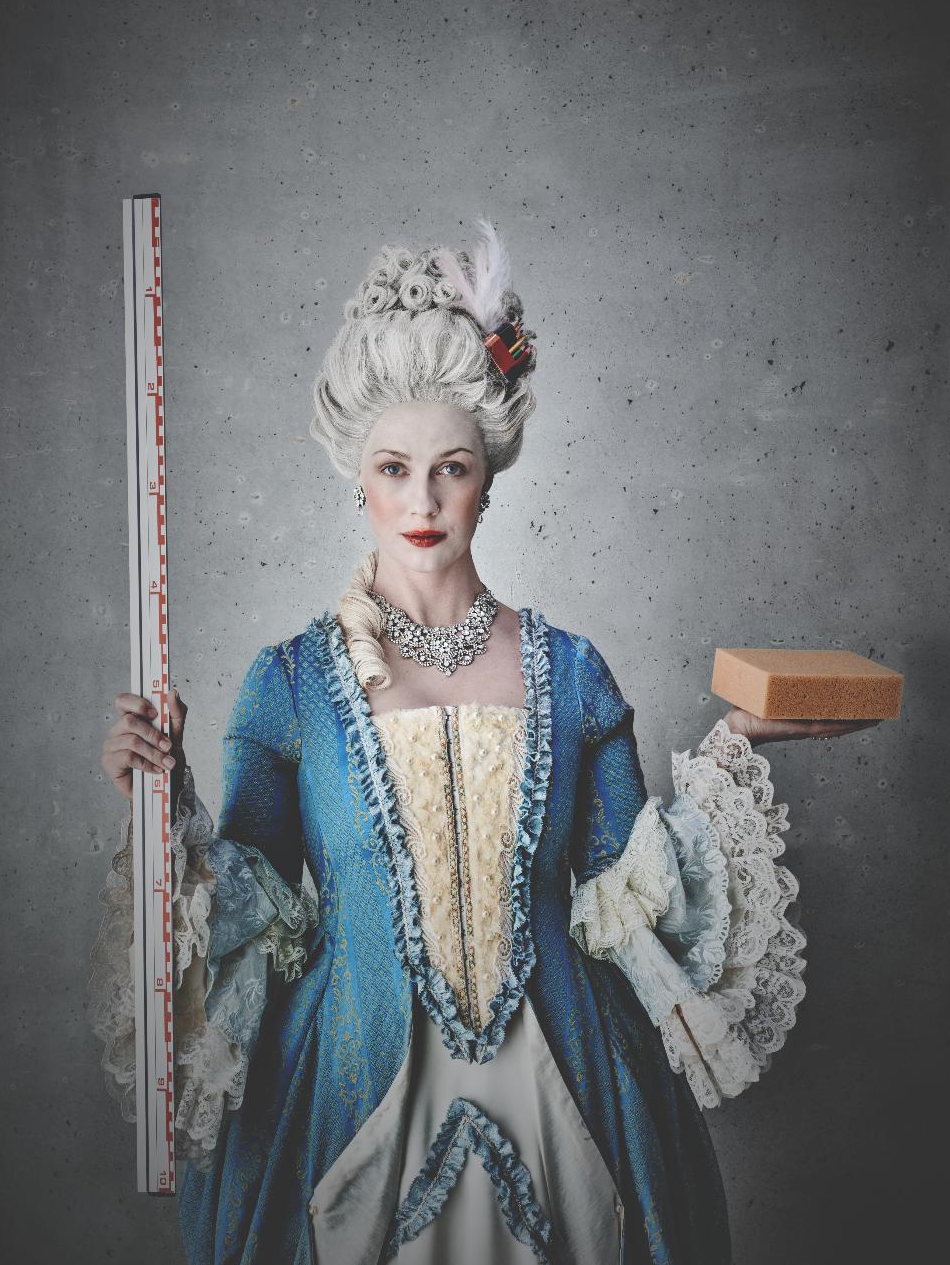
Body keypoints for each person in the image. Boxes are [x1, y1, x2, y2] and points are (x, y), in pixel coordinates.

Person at [89, 220, 880, 1264]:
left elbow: (628, 894)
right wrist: (165, 798)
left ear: (489, 477)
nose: (422, 501)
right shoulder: (288, 685)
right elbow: (246, 901)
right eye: (395, 468)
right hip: (346, 1090)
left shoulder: (575, 672)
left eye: (450, 468)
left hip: (573, 1088)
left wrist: (735, 742)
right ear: (359, 476)